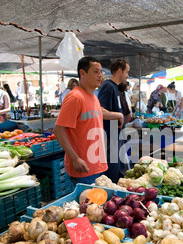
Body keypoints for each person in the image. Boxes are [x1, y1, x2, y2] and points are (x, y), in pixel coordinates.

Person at [54, 56, 121, 185]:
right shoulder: (75, 97)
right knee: (88, 204)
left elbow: (97, 112)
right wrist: (75, 159)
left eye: (101, 72)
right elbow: (58, 130)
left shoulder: (92, 96)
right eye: (96, 72)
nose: (100, 75)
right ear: (82, 73)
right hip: (83, 168)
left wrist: (117, 115)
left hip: (97, 165)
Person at [98, 58, 130, 183]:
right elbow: (99, 111)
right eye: (126, 72)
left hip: (116, 136)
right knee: (111, 170)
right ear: (119, 71)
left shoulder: (115, 88)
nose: (127, 75)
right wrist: (118, 115)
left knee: (117, 168)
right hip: (110, 136)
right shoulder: (108, 86)